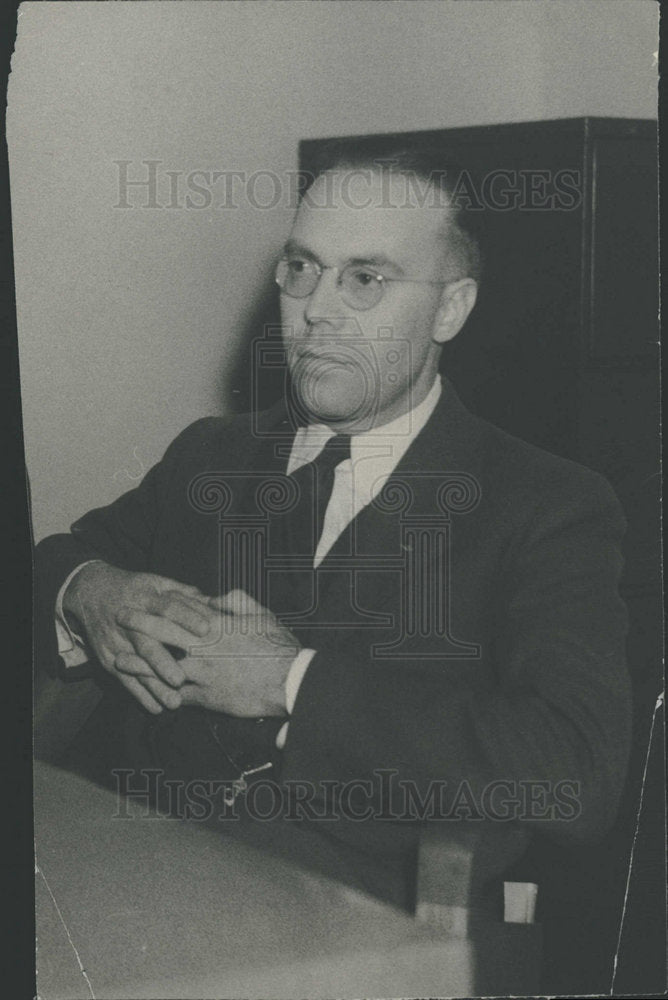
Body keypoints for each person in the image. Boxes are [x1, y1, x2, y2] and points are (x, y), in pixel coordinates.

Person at [34, 144, 631, 913]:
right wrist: (92, 593)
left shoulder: (545, 505)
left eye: (366, 279)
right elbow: (56, 562)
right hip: (131, 877)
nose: (317, 309)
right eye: (301, 269)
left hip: (354, 922)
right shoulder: (210, 455)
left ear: (450, 308)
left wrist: (291, 684)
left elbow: (575, 775)